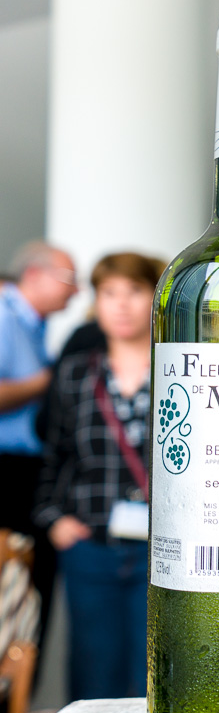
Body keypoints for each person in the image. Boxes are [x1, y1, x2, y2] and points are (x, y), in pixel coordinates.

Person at [32, 252, 163, 700]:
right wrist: (53, 518)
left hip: (160, 547)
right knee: (93, 673)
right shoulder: (76, 373)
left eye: (135, 291)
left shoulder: (182, 371)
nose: (121, 305)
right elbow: (55, 454)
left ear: (156, 298)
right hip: (90, 541)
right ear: (96, 302)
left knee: (155, 672)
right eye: (109, 293)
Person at [0, 241, 78, 664]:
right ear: (33, 275)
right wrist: (47, 381)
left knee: (26, 596)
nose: (75, 290)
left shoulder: (33, 324)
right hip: (8, 473)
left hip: (28, 473)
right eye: (68, 279)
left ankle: (17, 696)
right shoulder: (3, 315)